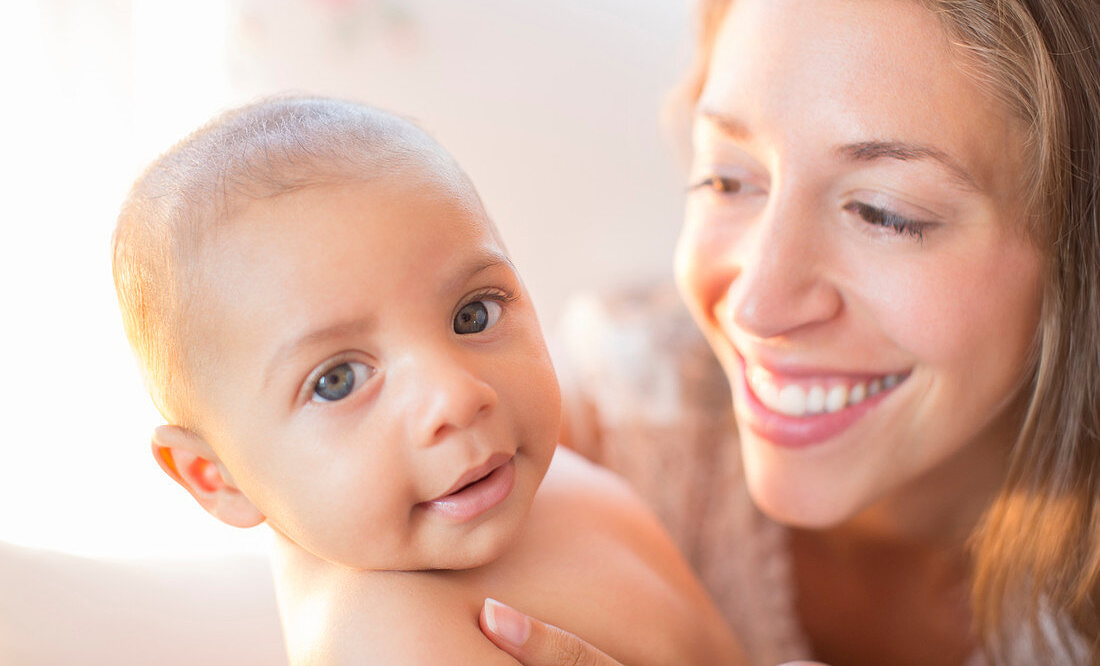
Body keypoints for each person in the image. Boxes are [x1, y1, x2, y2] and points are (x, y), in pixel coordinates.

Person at [478, 0, 1100, 664]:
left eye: (884, 213)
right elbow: (335, 553)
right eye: (727, 179)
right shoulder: (629, 418)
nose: (755, 305)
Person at [110, 96, 743, 665]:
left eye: (474, 314)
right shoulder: (390, 641)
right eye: (338, 380)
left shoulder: (526, 474)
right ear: (214, 475)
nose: (458, 395)